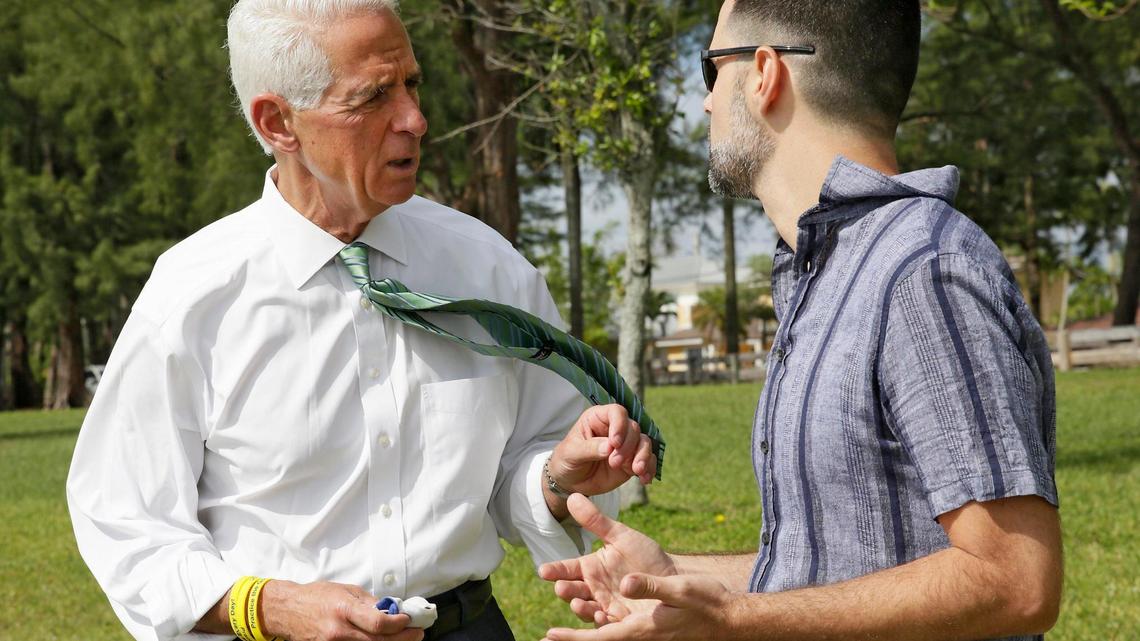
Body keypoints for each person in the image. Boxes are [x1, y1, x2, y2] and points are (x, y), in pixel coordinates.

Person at [65, 2, 657, 640]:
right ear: (278, 122)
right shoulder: (194, 295)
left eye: (412, 84)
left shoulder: (488, 269)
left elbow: (519, 470)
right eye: (373, 96)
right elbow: (126, 521)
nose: (415, 119)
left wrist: (553, 477)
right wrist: (270, 608)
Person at [539, 2, 1062, 640]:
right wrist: (684, 582)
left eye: (711, 70)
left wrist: (737, 621)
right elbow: (843, 564)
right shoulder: (827, 271)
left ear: (764, 73)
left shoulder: (920, 271)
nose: (704, 105)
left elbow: (1015, 580)